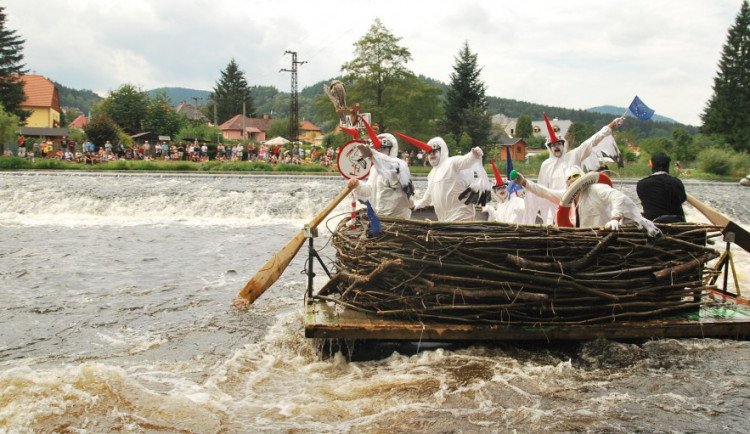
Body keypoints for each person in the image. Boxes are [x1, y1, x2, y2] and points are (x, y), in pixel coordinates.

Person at [528, 113, 626, 224]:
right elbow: (541, 189)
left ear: (563, 144)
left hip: (578, 201)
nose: (556, 147)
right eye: (553, 145)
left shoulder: (574, 155)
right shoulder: (545, 165)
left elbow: (592, 141)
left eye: (558, 144)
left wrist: (611, 126)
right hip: (557, 204)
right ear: (549, 148)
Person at [514, 165, 660, 237]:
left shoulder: (596, 189)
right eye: (569, 180)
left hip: (603, 236)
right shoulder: (567, 196)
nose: (573, 182)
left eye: (576, 178)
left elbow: (618, 197)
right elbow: (545, 192)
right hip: (585, 239)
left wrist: (615, 219)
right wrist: (524, 182)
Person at [396, 133, 489, 222]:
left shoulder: (452, 162)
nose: (431, 154)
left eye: (434, 151)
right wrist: (416, 205)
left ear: (442, 150)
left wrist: (473, 155)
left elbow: (465, 161)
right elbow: (428, 197)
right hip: (444, 219)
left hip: (461, 216)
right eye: (429, 153)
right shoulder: (432, 174)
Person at [347, 133, 414, 218]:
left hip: (399, 216)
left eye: (383, 149)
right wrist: (357, 185)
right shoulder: (374, 169)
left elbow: (390, 169)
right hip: (380, 216)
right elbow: (369, 190)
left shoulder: (400, 165)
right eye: (376, 149)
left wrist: (373, 154)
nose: (379, 152)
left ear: (391, 149)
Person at [636, 152, 686, 223]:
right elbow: (682, 199)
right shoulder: (677, 183)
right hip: (677, 221)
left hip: (654, 223)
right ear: (668, 166)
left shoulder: (642, 184)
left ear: (653, 165)